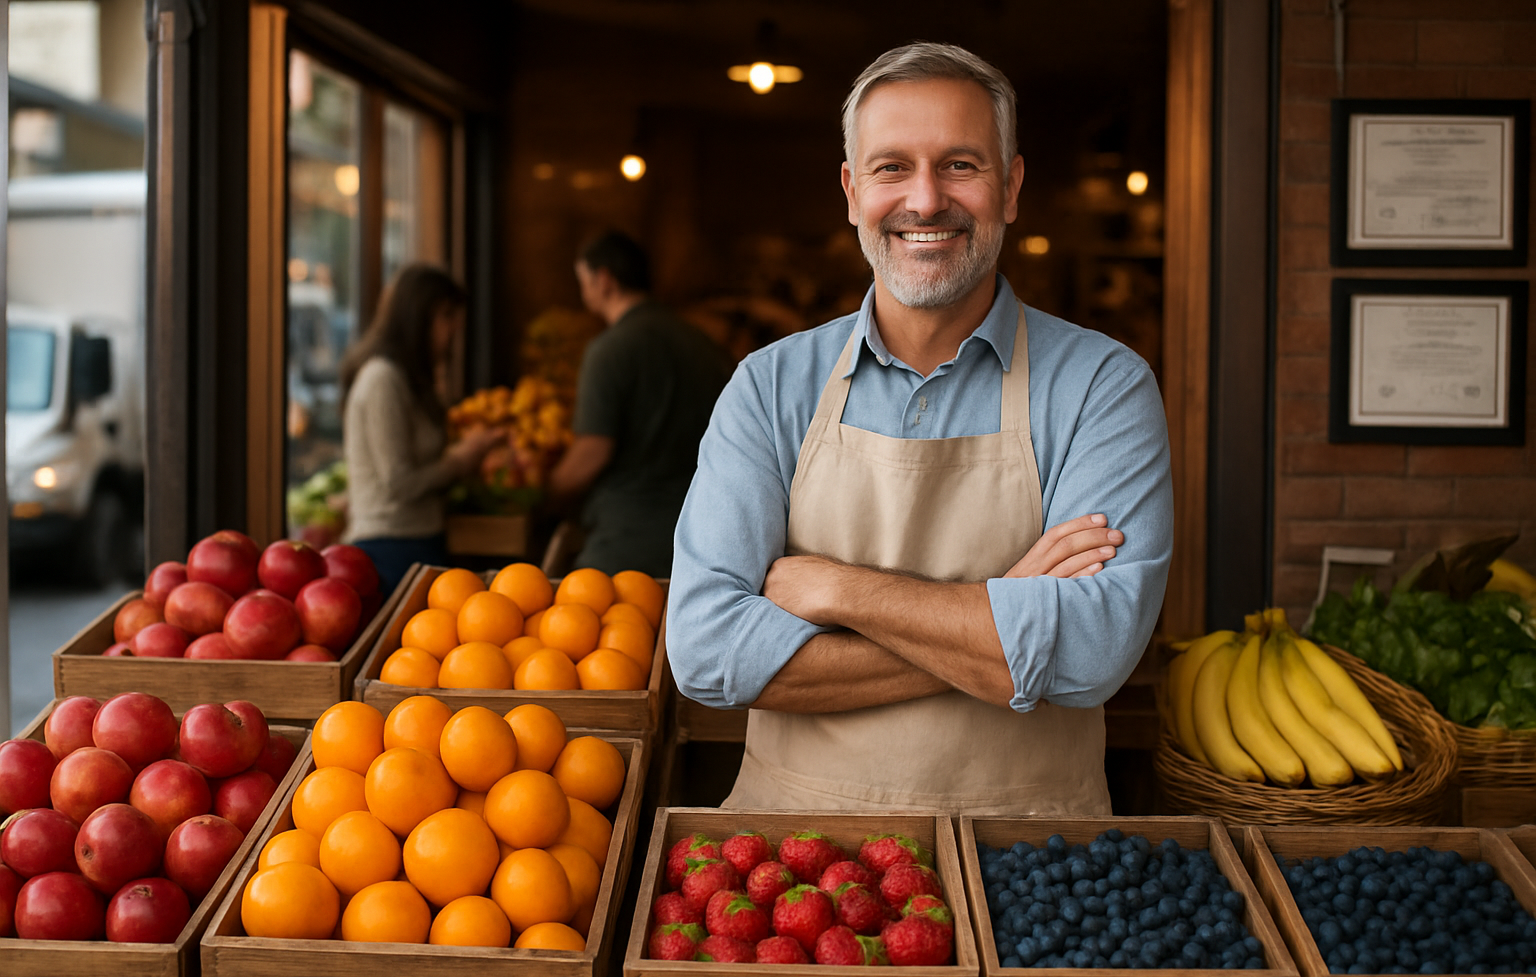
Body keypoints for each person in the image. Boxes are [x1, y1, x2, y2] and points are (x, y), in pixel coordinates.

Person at [667, 43, 1174, 815]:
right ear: (852, 191)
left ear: (1010, 188)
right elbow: (706, 653)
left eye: (962, 165)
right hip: (794, 881)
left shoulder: (1103, 387)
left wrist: (837, 589)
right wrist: (1006, 616)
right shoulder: (769, 387)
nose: (927, 200)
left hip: (1038, 881)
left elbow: (1091, 654)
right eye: (892, 167)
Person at [548, 231, 733, 578]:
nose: (583, 292)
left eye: (583, 281)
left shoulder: (610, 349)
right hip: (702, 535)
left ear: (604, 280)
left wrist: (549, 492)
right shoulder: (701, 343)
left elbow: (592, 451)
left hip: (625, 542)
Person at [340, 264, 502, 592]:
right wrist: (460, 460)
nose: (454, 328)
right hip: (389, 548)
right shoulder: (382, 380)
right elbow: (399, 482)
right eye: (446, 315)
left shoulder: (410, 380)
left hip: (420, 541)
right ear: (416, 316)